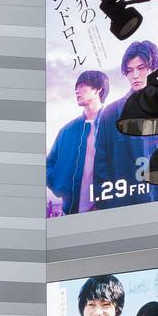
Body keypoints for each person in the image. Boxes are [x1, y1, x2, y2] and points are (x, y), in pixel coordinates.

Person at [92, 40, 158, 209]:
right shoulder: (111, 113)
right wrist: (108, 206)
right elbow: (100, 167)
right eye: (129, 70)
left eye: (141, 67)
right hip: (124, 208)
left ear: (154, 68)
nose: (135, 75)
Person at [46, 69, 110, 215]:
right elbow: (48, 164)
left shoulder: (113, 125)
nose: (76, 91)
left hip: (107, 213)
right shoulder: (67, 131)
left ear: (98, 89)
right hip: (72, 213)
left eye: (82, 85)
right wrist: (60, 187)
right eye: (76, 87)